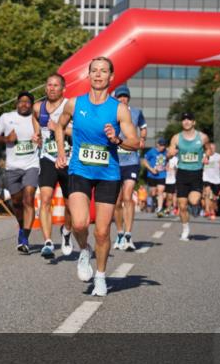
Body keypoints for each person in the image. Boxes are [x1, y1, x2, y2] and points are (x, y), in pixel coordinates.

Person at [54, 57, 141, 297]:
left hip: (108, 173)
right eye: (94, 71)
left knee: (102, 231)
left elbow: (135, 142)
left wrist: (117, 140)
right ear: (88, 75)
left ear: (111, 77)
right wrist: (62, 153)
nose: (99, 75)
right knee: (80, 223)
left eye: (103, 71)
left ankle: (101, 276)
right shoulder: (74, 104)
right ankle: (84, 250)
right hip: (79, 169)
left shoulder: (119, 109)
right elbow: (58, 126)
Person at [0, 92, 41, 254]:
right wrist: (6, 140)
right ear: (16, 104)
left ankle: (25, 238)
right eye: (21, 101)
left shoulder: (36, 119)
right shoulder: (6, 117)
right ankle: (21, 227)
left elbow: (48, 135)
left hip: (32, 165)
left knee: (28, 199)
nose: (24, 104)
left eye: (27, 102)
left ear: (32, 105)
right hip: (12, 167)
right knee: (17, 203)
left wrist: (41, 141)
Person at [31, 73, 73, 259]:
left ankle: (66, 230)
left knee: (70, 204)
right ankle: (48, 241)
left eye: (56, 85)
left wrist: (59, 127)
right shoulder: (38, 107)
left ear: (63, 88)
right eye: (49, 85)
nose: (52, 88)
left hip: (69, 159)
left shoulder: (70, 106)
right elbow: (35, 118)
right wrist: (36, 134)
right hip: (47, 157)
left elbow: (80, 130)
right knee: (45, 198)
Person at [111, 86, 147, 251]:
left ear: (129, 98)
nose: (123, 99)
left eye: (125, 97)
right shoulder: (111, 111)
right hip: (114, 160)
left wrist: (142, 139)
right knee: (116, 201)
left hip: (131, 160)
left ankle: (128, 235)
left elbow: (143, 126)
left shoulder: (136, 113)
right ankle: (119, 233)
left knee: (128, 195)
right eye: (120, 97)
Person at [167, 112, 209, 241]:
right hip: (182, 173)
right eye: (184, 119)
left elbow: (208, 149)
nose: (186, 121)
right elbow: (169, 153)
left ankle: (196, 205)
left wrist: (206, 156)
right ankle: (185, 229)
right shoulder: (176, 138)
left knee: (194, 201)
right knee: (182, 205)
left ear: (193, 122)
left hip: (196, 173)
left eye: (189, 119)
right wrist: (171, 153)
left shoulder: (202, 137)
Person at [143, 138, 168, 217]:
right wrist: (151, 169)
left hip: (162, 174)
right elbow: (144, 161)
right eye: (161, 145)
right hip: (152, 175)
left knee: (160, 191)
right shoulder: (152, 151)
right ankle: (153, 202)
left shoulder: (166, 152)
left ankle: (160, 209)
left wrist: (167, 166)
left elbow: (170, 159)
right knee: (153, 192)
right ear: (157, 144)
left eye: (164, 145)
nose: (162, 147)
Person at [202, 141, 220, 219]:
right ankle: (207, 210)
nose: (212, 150)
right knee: (207, 193)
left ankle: (212, 210)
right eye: (210, 148)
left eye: (213, 148)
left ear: (215, 149)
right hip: (206, 178)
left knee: (214, 197)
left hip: (216, 179)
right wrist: (204, 159)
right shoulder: (204, 155)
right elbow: (200, 163)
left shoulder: (219, 156)